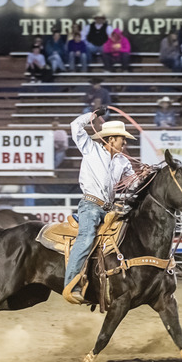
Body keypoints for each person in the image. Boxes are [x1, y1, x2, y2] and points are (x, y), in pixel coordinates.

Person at [65, 108, 137, 302]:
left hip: (109, 209)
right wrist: (93, 115)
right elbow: (75, 126)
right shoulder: (90, 148)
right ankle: (71, 284)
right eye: (123, 138)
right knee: (87, 236)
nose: (125, 143)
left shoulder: (123, 161)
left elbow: (133, 183)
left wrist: (146, 175)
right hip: (90, 205)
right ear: (111, 139)